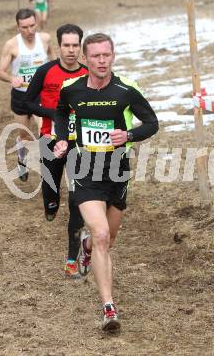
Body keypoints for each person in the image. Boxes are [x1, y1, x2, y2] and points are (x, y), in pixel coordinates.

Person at [53, 33, 158, 331]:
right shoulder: (71, 89)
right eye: (96, 56)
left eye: (106, 55)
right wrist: (62, 139)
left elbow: (152, 123)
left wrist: (130, 135)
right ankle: (108, 307)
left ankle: (86, 247)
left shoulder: (127, 90)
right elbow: (61, 112)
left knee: (107, 240)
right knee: (100, 235)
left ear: (113, 56)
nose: (102, 61)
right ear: (85, 59)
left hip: (117, 171)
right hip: (84, 167)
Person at [25, 24, 88, 278]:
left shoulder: (88, 73)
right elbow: (28, 101)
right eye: (67, 45)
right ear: (59, 46)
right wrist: (53, 114)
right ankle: (50, 205)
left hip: (79, 143)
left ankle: (72, 258)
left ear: (80, 46)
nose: (71, 50)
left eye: (75, 45)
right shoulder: (45, 71)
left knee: (77, 199)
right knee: (51, 193)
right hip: (50, 139)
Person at [0, 8, 55, 182]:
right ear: (18, 27)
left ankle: (45, 164)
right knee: (24, 135)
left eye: (32, 25)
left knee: (44, 130)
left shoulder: (45, 39)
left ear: (36, 23)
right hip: (21, 97)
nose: (30, 31)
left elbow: (53, 61)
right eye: (25, 27)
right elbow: (0, 72)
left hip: (40, 95)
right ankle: (22, 157)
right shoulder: (11, 45)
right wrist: (11, 78)